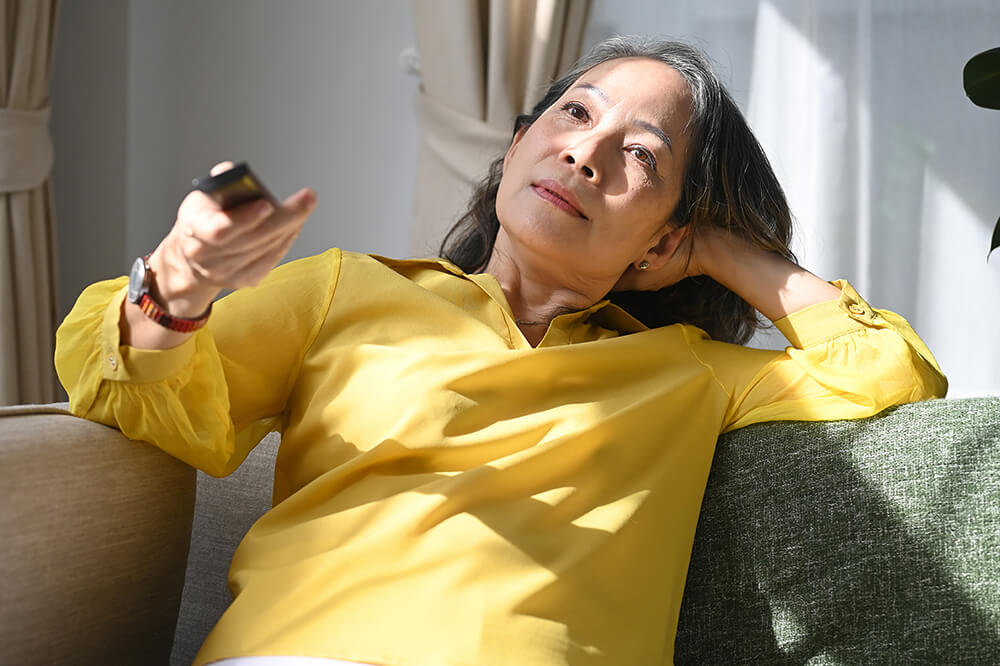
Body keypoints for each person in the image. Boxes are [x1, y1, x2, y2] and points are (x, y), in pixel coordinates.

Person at [55, 36, 946, 666]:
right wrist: (176, 289)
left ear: (661, 238)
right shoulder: (351, 290)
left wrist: (726, 250)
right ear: (520, 141)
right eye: (573, 113)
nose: (586, 152)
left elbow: (889, 374)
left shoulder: (691, 373)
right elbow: (144, 400)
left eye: (641, 154)